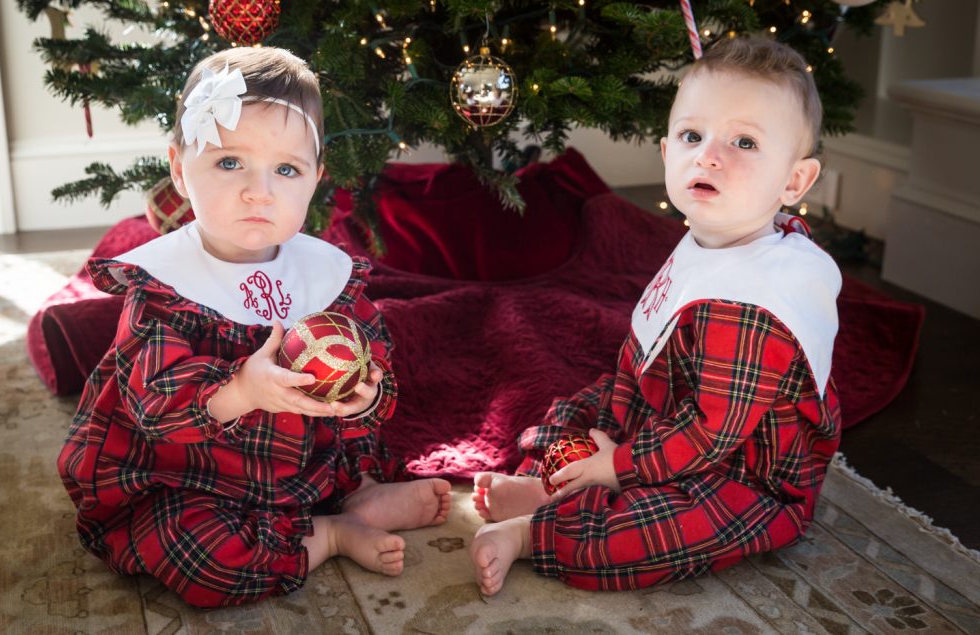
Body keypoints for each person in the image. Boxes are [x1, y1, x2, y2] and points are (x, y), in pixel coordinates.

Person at [58, 46, 451, 608]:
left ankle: (356, 495)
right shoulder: (166, 284)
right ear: (178, 168)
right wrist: (242, 390)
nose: (259, 191)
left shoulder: (322, 274)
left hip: (302, 462)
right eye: (229, 162)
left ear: (315, 180)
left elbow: (376, 357)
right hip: (191, 478)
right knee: (199, 558)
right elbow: (154, 408)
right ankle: (328, 533)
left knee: (359, 445)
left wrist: (365, 397)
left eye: (285, 169)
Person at [470, 37, 842, 595]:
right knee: (576, 408)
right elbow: (641, 359)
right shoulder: (712, 238)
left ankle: (534, 531)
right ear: (668, 153)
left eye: (744, 141)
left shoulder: (759, 299)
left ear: (794, 182)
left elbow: (711, 435)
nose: (710, 155)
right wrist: (614, 425)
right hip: (672, 412)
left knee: (650, 534)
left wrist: (617, 463)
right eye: (693, 136)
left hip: (739, 472)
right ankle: (557, 483)